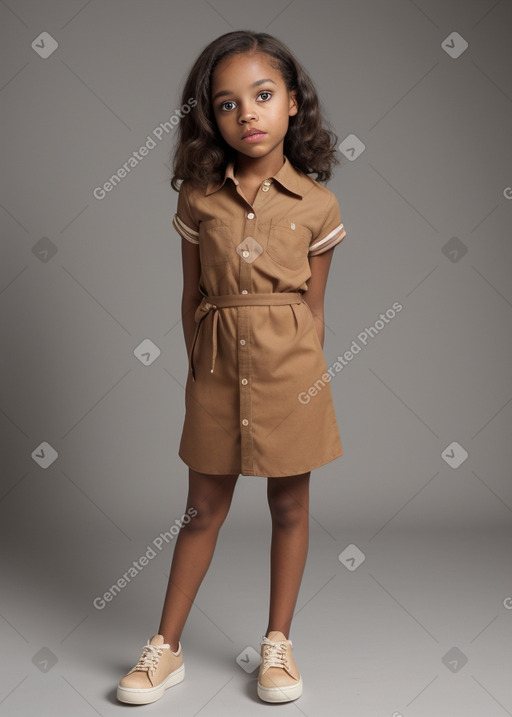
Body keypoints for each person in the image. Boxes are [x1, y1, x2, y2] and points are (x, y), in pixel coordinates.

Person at [117, 29, 347, 706]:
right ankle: (166, 646)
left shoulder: (318, 205)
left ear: (295, 103)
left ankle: (278, 643)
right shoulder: (199, 197)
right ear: (209, 118)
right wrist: (199, 372)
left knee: (289, 505)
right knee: (201, 510)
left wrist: (304, 384)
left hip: (292, 371)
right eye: (226, 103)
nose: (246, 113)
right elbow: (190, 296)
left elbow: (315, 308)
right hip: (216, 369)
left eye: (263, 94)